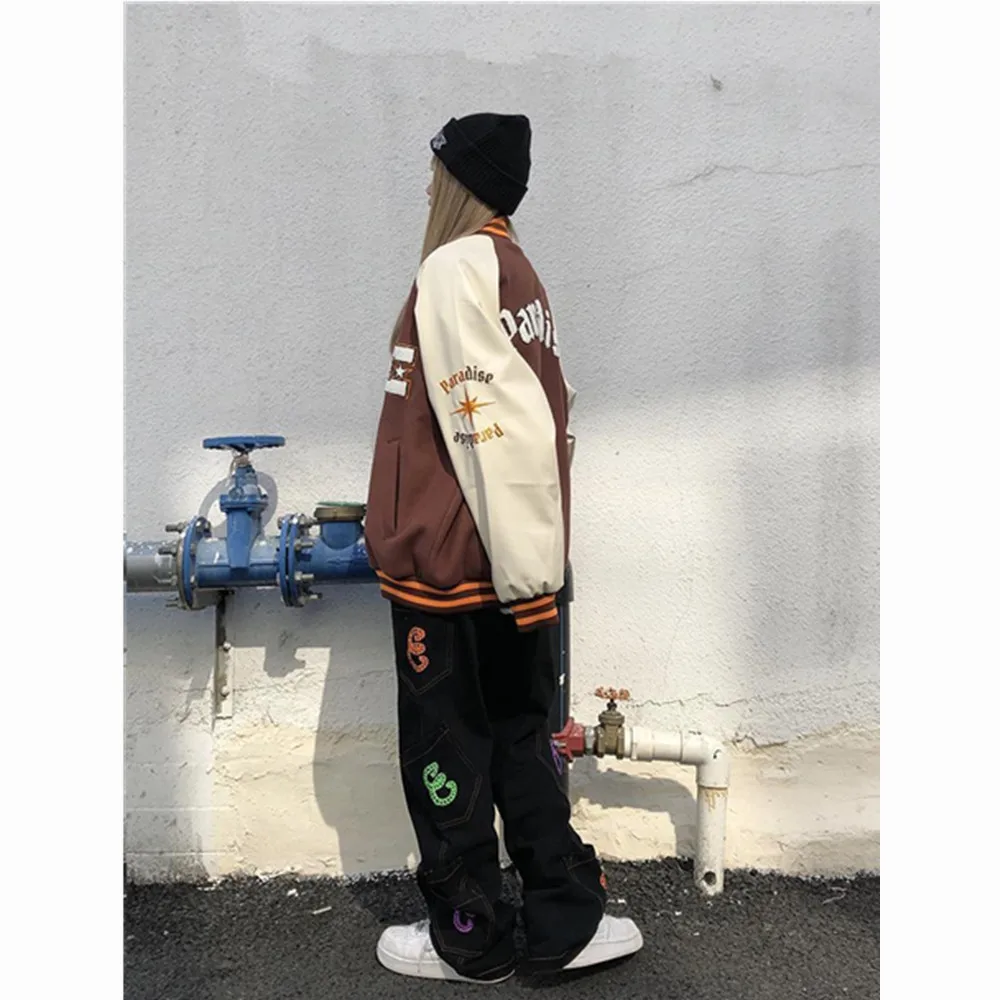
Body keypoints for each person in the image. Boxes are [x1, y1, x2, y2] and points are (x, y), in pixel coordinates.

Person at [364, 112, 643, 983]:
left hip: (455, 570)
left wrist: (521, 577)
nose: (426, 186)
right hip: (506, 564)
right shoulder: (516, 273)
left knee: (446, 757)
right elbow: (543, 416)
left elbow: (497, 430)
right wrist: (532, 578)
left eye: (436, 171)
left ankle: (469, 938)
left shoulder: (456, 268)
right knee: (520, 745)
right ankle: (565, 920)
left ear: (463, 181)